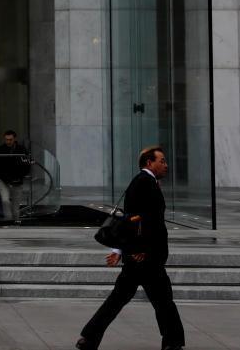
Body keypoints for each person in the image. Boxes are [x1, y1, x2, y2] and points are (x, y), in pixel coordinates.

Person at [77, 146, 184, 350]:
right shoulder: (144, 182)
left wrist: (120, 250)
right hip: (146, 256)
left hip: (140, 255)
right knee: (163, 301)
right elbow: (139, 220)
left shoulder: (146, 182)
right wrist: (137, 248)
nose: (166, 164)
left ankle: (89, 338)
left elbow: (131, 219)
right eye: (161, 161)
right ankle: (173, 342)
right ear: (149, 163)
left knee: (119, 299)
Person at [0, 130, 31, 223]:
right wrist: (6, 179)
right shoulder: (0, 149)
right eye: (6, 139)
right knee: (5, 200)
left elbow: (26, 166)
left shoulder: (21, 149)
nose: (8, 142)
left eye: (10, 139)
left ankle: (15, 221)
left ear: (14, 139)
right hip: (4, 180)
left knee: (16, 205)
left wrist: (19, 177)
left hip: (17, 180)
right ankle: (8, 220)